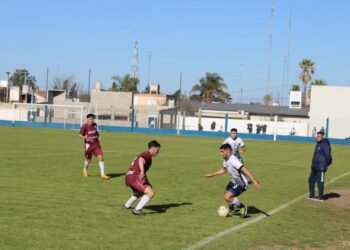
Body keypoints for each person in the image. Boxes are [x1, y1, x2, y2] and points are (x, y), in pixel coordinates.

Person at [205, 143, 261, 218]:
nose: (220, 153)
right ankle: (232, 208)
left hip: (241, 183)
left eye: (222, 151)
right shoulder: (225, 159)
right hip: (233, 181)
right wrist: (212, 175)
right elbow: (224, 169)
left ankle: (242, 207)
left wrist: (254, 181)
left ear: (227, 151)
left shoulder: (233, 160)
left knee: (227, 197)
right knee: (226, 194)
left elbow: (245, 170)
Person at [124, 140, 161, 215]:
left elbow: (143, 171)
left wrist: (147, 181)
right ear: (153, 148)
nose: (158, 152)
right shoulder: (147, 155)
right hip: (134, 176)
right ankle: (137, 210)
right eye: (158, 150)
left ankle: (126, 206)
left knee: (141, 192)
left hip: (129, 176)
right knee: (150, 193)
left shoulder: (146, 154)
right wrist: (141, 171)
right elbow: (141, 160)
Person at [79, 113, 109, 180]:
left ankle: (102, 174)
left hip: (96, 145)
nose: (91, 120)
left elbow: (96, 132)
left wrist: (98, 136)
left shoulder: (95, 125)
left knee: (101, 157)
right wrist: (84, 137)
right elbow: (80, 135)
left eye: (92, 119)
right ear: (87, 119)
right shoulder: (84, 126)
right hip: (89, 146)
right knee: (88, 160)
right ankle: (85, 169)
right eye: (90, 119)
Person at [308, 131, 332, 201]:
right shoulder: (318, 144)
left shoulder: (325, 145)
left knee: (320, 181)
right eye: (317, 136)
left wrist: (327, 163)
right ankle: (312, 195)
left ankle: (320, 196)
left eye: (319, 136)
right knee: (311, 180)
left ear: (322, 137)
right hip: (314, 166)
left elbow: (328, 155)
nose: (317, 137)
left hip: (321, 167)